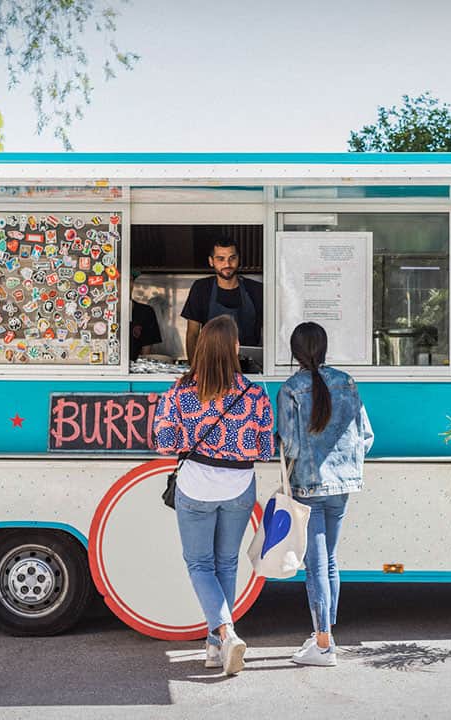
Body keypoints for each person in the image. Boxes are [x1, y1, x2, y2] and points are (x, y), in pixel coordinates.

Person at [153, 315, 274, 674]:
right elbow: (264, 448)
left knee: (200, 565)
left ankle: (224, 631)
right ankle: (215, 645)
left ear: (201, 348)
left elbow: (163, 442)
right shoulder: (254, 393)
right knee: (226, 564)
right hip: (238, 486)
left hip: (196, 487)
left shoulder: (181, 390)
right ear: (235, 349)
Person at [276, 322, 374, 667]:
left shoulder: (291, 389)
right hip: (344, 485)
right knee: (329, 561)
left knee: (315, 566)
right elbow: (366, 436)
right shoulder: (347, 382)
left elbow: (291, 444)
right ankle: (325, 635)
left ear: (295, 353)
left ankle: (322, 644)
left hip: (309, 485)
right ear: (325, 348)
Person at [180, 235, 263, 362]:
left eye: (232, 258)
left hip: (250, 366)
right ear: (211, 261)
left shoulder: (256, 290)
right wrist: (195, 369)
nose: (227, 264)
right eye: (220, 259)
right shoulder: (201, 289)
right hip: (210, 365)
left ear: (238, 259)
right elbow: (192, 334)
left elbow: (269, 332)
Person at [129, 270, 162, 362]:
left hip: (135, 370)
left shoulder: (146, 312)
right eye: (119, 280)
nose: (126, 284)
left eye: (130, 280)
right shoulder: (102, 311)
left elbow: (146, 351)